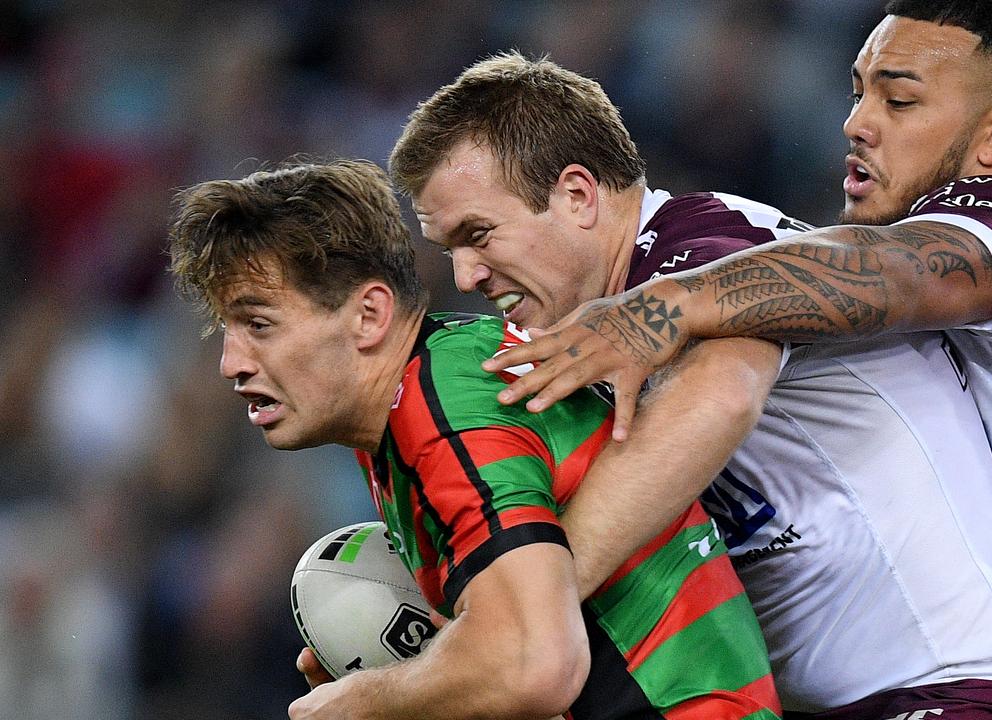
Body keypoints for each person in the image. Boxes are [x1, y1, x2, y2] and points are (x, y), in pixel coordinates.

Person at [482, 3, 992, 718]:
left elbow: (889, 274)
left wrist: (664, 306)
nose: (858, 122)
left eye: (899, 101)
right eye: (858, 90)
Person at [390, 51, 992, 718]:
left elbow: (722, 390)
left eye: (479, 234)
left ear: (576, 195)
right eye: (448, 247)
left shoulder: (698, 251)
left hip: (970, 689)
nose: (466, 276)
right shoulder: (589, 333)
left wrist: (521, 618)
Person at [166, 159, 783, 720]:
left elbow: (537, 666)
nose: (231, 363)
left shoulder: (445, 406)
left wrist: (368, 702)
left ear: (369, 316)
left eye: (258, 325)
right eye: (228, 328)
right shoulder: (418, 398)